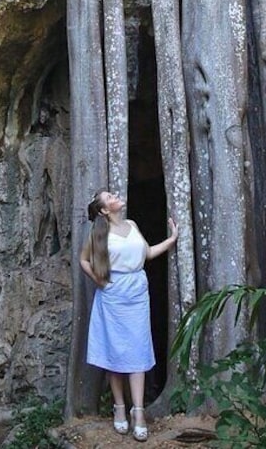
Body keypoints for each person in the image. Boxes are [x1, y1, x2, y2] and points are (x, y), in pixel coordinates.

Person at [80, 189, 178, 442]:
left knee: (137, 350)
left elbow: (146, 254)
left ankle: (139, 412)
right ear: (104, 210)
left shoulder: (132, 225)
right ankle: (119, 408)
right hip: (113, 296)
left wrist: (172, 239)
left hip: (137, 293)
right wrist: (101, 283)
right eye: (109, 197)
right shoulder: (99, 233)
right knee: (115, 352)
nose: (115, 196)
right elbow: (84, 261)